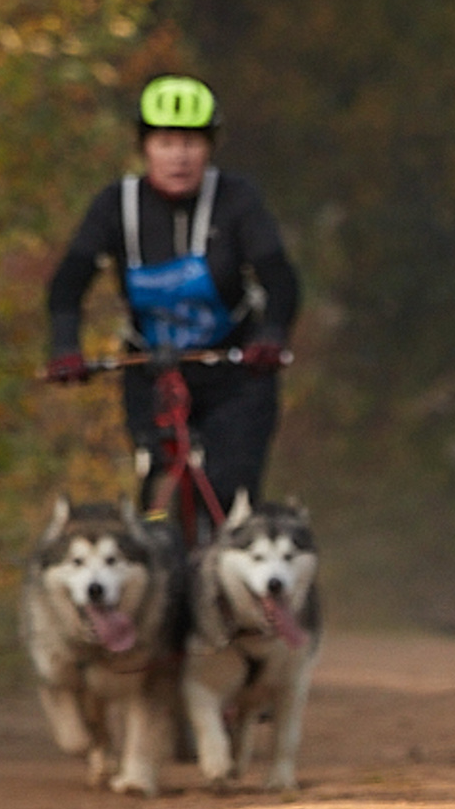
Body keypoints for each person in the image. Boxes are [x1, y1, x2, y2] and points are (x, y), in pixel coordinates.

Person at [44, 74, 301, 512]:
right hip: (151, 371)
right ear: (145, 146)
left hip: (235, 374)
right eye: (165, 142)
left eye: (191, 143)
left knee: (229, 489)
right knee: (157, 497)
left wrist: (272, 335)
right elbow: (68, 283)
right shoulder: (115, 206)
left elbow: (280, 279)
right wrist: (66, 346)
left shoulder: (237, 200)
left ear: (210, 148)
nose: (178, 156)